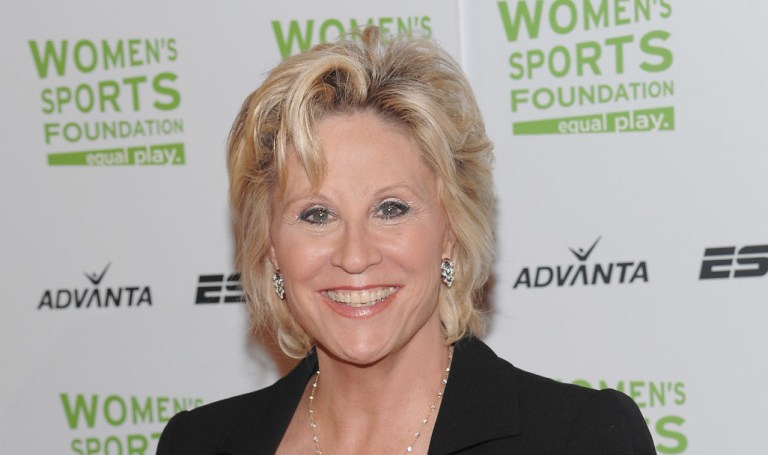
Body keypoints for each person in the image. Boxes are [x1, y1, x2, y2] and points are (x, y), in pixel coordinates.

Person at [157, 27, 656, 454]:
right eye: (316, 214)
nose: (355, 256)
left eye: (390, 209)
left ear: (451, 230)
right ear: (269, 247)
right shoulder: (199, 442)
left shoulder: (580, 438)